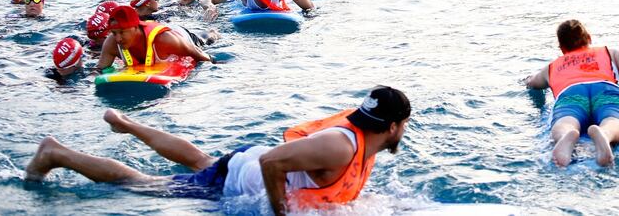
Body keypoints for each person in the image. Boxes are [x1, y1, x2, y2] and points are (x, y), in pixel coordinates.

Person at [25, 86, 410, 215]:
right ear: (393, 126)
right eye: (405, 126)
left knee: (201, 161)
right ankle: (55, 153)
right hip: (241, 177)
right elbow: (271, 161)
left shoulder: (367, 136)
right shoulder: (340, 147)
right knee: (143, 182)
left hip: (243, 164)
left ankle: (125, 124)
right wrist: (278, 214)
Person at [524, 20, 619, 166]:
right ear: (589, 38)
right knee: (614, 120)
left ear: (561, 48)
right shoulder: (608, 54)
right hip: (606, 90)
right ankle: (606, 134)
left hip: (571, 92)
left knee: (565, 121)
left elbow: (532, 83)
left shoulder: (552, 67)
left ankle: (566, 135)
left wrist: (528, 79)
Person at [93, 5, 215, 72]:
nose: (118, 38)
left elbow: (198, 53)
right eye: (114, 33)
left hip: (180, 35)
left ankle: (212, 33)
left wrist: (216, 65)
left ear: (136, 27)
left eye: (122, 32)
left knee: (205, 39)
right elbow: (100, 69)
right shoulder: (112, 43)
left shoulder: (164, 40)